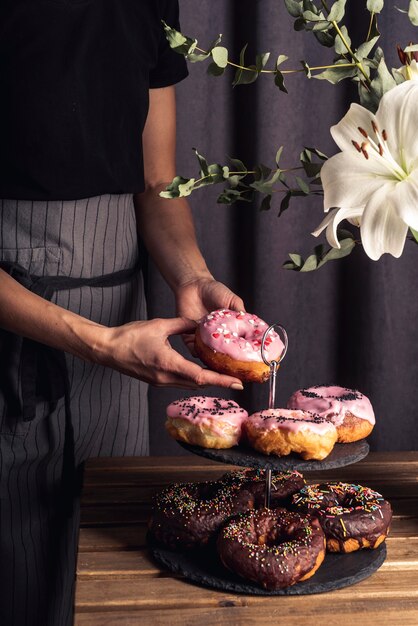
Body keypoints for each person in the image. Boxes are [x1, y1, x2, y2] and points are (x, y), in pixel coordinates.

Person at [0, 2, 244, 624]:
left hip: (122, 331)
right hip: (22, 321)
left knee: (111, 571)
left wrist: (195, 278)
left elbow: (157, 184)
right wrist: (97, 341)